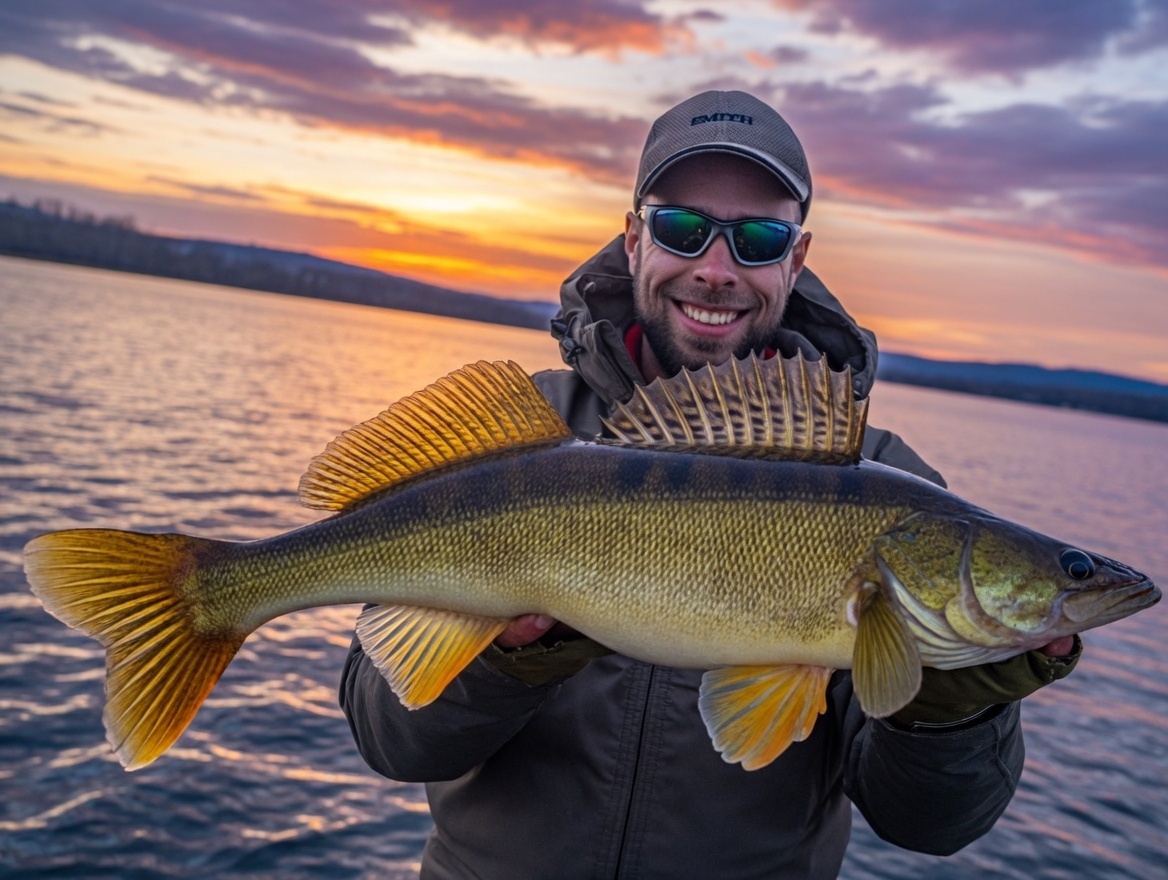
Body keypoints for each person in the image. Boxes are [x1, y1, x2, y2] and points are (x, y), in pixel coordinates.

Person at [340, 90, 1081, 879]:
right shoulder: (523, 441)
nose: (716, 270)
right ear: (634, 241)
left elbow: (931, 826)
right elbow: (392, 742)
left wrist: (956, 709)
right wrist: (507, 657)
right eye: (682, 229)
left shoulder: (888, 485)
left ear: (795, 262)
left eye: (759, 238)